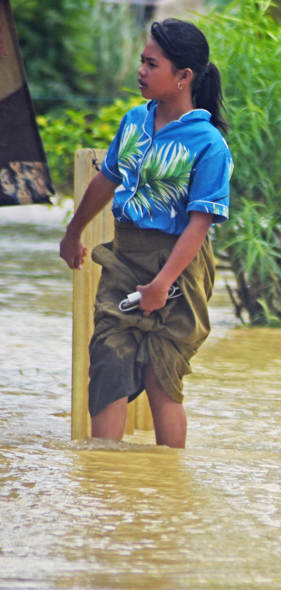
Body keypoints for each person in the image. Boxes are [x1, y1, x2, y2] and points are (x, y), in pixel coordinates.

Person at [58, 19, 232, 448]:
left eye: (152, 64)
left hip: (179, 267)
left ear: (183, 76)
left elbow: (199, 224)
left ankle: (165, 479)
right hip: (124, 255)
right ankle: (105, 476)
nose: (141, 71)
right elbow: (106, 179)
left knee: (161, 375)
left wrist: (161, 284)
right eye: (142, 61)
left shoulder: (209, 144)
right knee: (108, 362)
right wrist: (73, 232)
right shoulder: (135, 121)